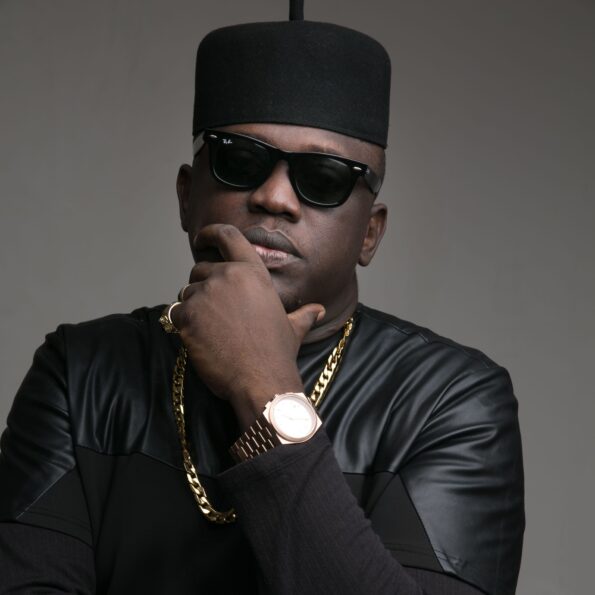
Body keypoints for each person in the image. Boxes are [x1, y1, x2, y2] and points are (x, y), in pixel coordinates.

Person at [0, 1, 524, 593]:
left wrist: (263, 386)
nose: (274, 197)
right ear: (186, 196)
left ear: (370, 233)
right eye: (239, 160)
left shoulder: (451, 404)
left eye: (323, 178)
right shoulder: (81, 373)